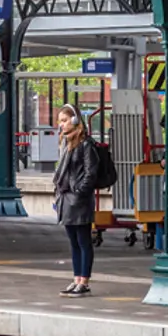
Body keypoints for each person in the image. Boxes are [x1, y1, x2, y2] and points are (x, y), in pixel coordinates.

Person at [52, 103, 102, 296]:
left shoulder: (85, 144)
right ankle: (76, 279)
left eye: (64, 120)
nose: (62, 125)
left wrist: (80, 192)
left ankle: (85, 281)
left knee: (83, 240)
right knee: (73, 241)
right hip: (66, 198)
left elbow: (91, 172)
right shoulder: (66, 144)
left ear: (74, 120)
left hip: (79, 200)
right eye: (60, 121)